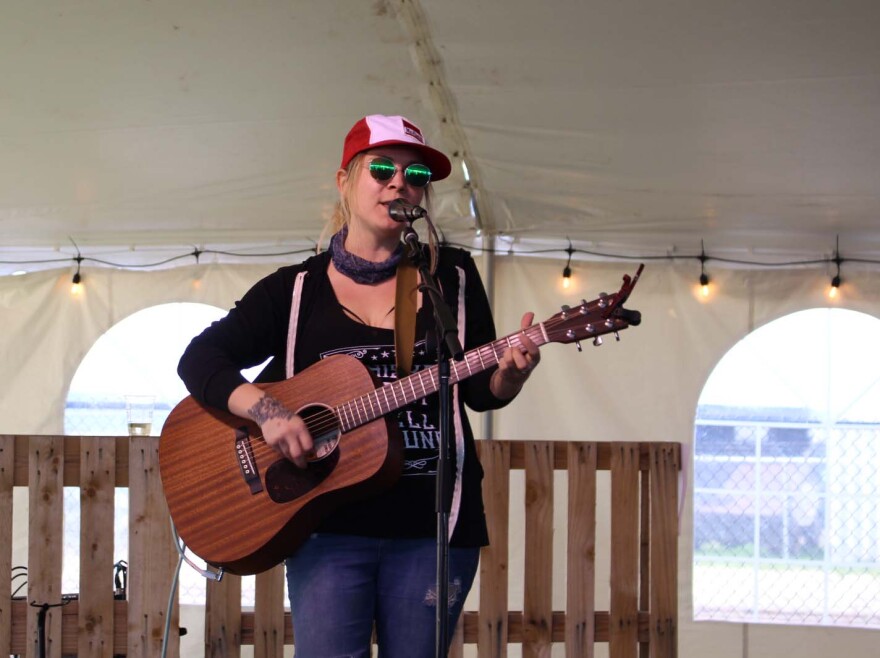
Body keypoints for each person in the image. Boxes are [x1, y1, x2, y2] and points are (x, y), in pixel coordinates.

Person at [177, 114, 540, 657]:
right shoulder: (296, 290)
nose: (400, 182)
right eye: (381, 169)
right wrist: (269, 412)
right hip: (328, 522)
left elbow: (478, 390)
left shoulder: (453, 278)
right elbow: (201, 358)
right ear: (344, 180)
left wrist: (509, 374)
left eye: (415, 173)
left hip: (434, 525)